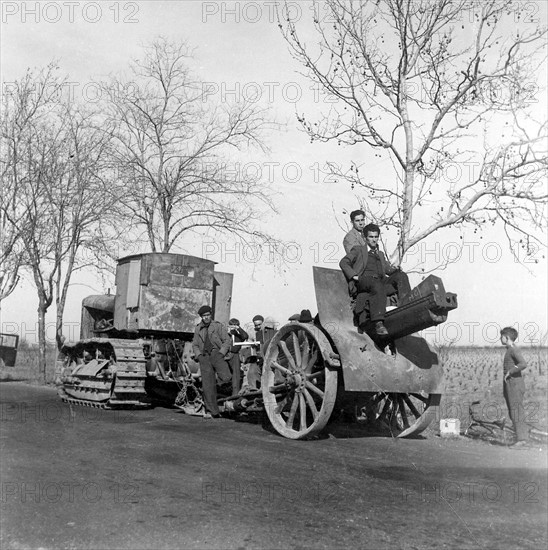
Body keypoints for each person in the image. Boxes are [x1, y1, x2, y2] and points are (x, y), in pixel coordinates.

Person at [339, 223, 411, 336]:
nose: (374, 240)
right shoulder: (358, 250)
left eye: (376, 237)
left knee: (401, 276)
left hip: (379, 283)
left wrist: (395, 270)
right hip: (364, 281)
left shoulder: (380, 254)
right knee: (376, 284)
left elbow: (387, 269)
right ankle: (378, 323)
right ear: (365, 237)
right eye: (371, 237)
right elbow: (344, 262)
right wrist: (353, 275)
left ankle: (407, 306)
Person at [192, 305, 232, 418]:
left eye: (208, 315)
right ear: (201, 317)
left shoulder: (218, 326)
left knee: (226, 377)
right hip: (204, 357)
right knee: (207, 385)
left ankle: (224, 401)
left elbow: (227, 340)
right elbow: (195, 344)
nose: (206, 318)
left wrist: (221, 353)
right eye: (204, 316)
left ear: (211, 315)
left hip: (217, 354)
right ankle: (212, 411)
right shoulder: (198, 328)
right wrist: (199, 355)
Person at [500, 327, 529, 446]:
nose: (499, 338)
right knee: (513, 410)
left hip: (515, 384)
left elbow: (523, 364)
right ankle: (518, 436)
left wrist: (510, 372)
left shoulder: (513, 350)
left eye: (501, 336)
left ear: (506, 338)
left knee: (516, 410)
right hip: (510, 384)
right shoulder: (509, 350)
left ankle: (522, 440)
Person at [243, 314, 276, 391]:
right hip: (260, 358)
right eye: (256, 325)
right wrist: (252, 343)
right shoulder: (255, 333)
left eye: (260, 325)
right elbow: (249, 340)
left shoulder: (275, 333)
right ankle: (253, 389)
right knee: (252, 371)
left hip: (273, 359)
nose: (258, 327)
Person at [225, 318, 249, 396]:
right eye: (231, 326)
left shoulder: (239, 336)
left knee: (236, 375)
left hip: (234, 355)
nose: (233, 328)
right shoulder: (225, 334)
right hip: (225, 355)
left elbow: (245, 336)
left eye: (235, 326)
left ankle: (235, 395)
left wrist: (238, 329)